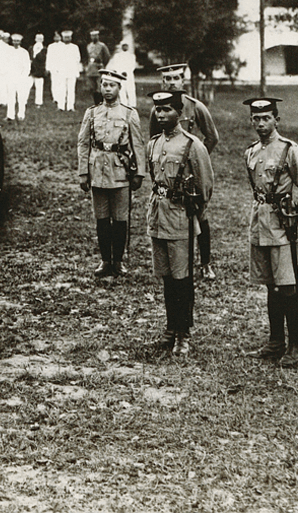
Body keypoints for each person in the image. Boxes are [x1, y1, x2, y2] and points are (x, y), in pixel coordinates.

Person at [242, 97, 298, 368]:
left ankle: (296, 344)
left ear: (276, 119)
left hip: (283, 226)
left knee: (288, 286)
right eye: (256, 118)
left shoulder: (290, 151)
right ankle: (275, 341)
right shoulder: (251, 151)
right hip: (260, 223)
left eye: (266, 118)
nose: (261, 123)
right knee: (271, 284)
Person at [146, 89, 213, 356]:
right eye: (158, 110)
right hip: (158, 215)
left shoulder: (192, 145)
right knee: (166, 276)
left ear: (179, 113)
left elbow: (205, 186)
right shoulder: (153, 144)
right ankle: (171, 328)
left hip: (180, 218)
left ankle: (184, 332)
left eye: (167, 110)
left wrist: (192, 209)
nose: (161, 115)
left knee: (182, 278)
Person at [149, 63, 220, 280]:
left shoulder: (196, 107)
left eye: (175, 78)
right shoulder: (157, 110)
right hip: (169, 173)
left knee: (200, 215)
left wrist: (195, 161)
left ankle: (205, 263)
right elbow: (154, 140)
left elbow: (212, 137)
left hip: (191, 171)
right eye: (167, 79)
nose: (171, 82)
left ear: (183, 80)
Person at [77, 69, 145, 278]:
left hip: (120, 172)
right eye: (104, 85)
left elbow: (138, 145)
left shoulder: (128, 113)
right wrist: (83, 173)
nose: (107, 89)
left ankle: (118, 261)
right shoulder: (92, 113)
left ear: (119, 88)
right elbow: (83, 143)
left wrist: (138, 173)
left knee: (121, 219)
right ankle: (105, 260)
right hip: (97, 172)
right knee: (102, 218)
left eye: (111, 85)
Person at [5, 33, 32, 121]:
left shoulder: (24, 52)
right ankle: (10, 115)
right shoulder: (9, 51)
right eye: (14, 41)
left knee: (21, 97)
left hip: (21, 78)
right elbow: (6, 64)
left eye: (17, 41)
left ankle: (21, 115)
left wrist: (23, 76)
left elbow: (27, 66)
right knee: (10, 97)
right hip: (11, 77)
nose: (16, 42)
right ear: (12, 41)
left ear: (20, 42)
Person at [85, 30, 111, 105]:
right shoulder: (89, 46)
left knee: (99, 87)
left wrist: (102, 64)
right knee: (92, 87)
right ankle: (96, 103)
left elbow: (107, 56)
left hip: (99, 68)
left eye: (95, 36)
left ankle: (102, 102)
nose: (94, 37)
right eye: (92, 36)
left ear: (98, 36)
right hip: (91, 69)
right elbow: (87, 57)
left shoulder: (102, 46)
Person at [29, 33, 47, 107]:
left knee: (39, 87)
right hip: (31, 70)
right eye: (37, 39)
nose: (39, 41)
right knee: (27, 86)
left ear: (42, 40)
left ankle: (38, 103)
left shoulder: (44, 49)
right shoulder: (31, 48)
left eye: (40, 39)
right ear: (35, 39)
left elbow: (43, 59)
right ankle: (23, 100)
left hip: (39, 70)